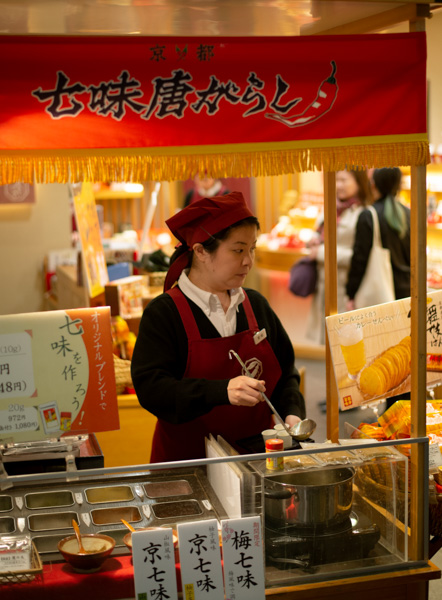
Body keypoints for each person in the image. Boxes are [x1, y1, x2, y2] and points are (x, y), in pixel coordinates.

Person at [131, 191, 306, 462]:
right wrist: (221, 391)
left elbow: (285, 373)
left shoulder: (255, 305)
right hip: (187, 463)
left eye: (252, 249)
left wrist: (291, 411)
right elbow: (153, 390)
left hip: (256, 460)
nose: (248, 261)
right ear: (201, 251)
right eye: (238, 250)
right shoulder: (165, 313)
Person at [306, 169, 372, 346]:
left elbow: (359, 256)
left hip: (346, 287)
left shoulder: (363, 213)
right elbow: (318, 231)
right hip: (324, 282)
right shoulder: (330, 206)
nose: (338, 185)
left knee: (344, 340)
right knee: (326, 338)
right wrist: (313, 239)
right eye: (336, 180)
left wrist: (320, 253)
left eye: (344, 180)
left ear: (358, 182)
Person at [346, 167, 410, 310]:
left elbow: (359, 259)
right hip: (408, 293)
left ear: (373, 184)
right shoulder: (410, 214)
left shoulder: (368, 215)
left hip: (380, 297)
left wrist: (351, 293)